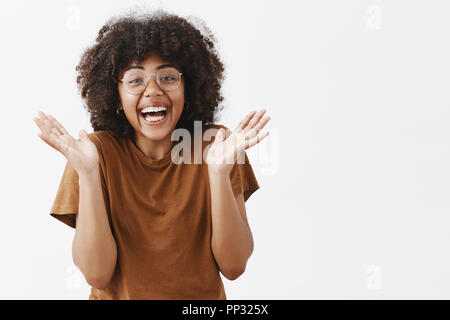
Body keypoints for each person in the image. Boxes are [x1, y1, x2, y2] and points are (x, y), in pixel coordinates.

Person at [33, 9, 270, 300]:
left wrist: (219, 173)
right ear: (116, 97)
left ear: (189, 87)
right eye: (135, 80)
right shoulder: (92, 153)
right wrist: (89, 174)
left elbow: (234, 267)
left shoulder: (216, 145)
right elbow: (97, 274)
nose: (153, 90)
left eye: (168, 77)